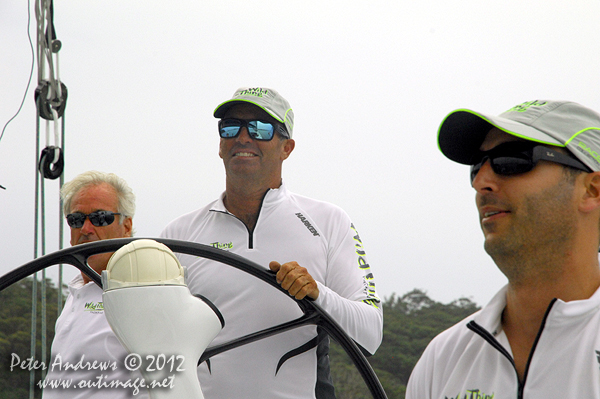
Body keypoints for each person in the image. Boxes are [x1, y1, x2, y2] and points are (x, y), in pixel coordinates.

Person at [160, 87, 383, 398]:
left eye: (260, 128)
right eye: (230, 127)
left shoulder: (330, 221)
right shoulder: (178, 234)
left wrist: (317, 293)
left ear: (287, 148)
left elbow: (370, 333)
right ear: (220, 145)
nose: (243, 137)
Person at [406, 100, 600, 398]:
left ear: (592, 190)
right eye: (476, 167)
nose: (481, 182)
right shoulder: (443, 358)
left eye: (510, 160)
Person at [42, 171, 148, 398]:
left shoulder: (144, 288)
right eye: (76, 220)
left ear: (126, 226)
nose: (86, 229)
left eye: (100, 218)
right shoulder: (76, 291)